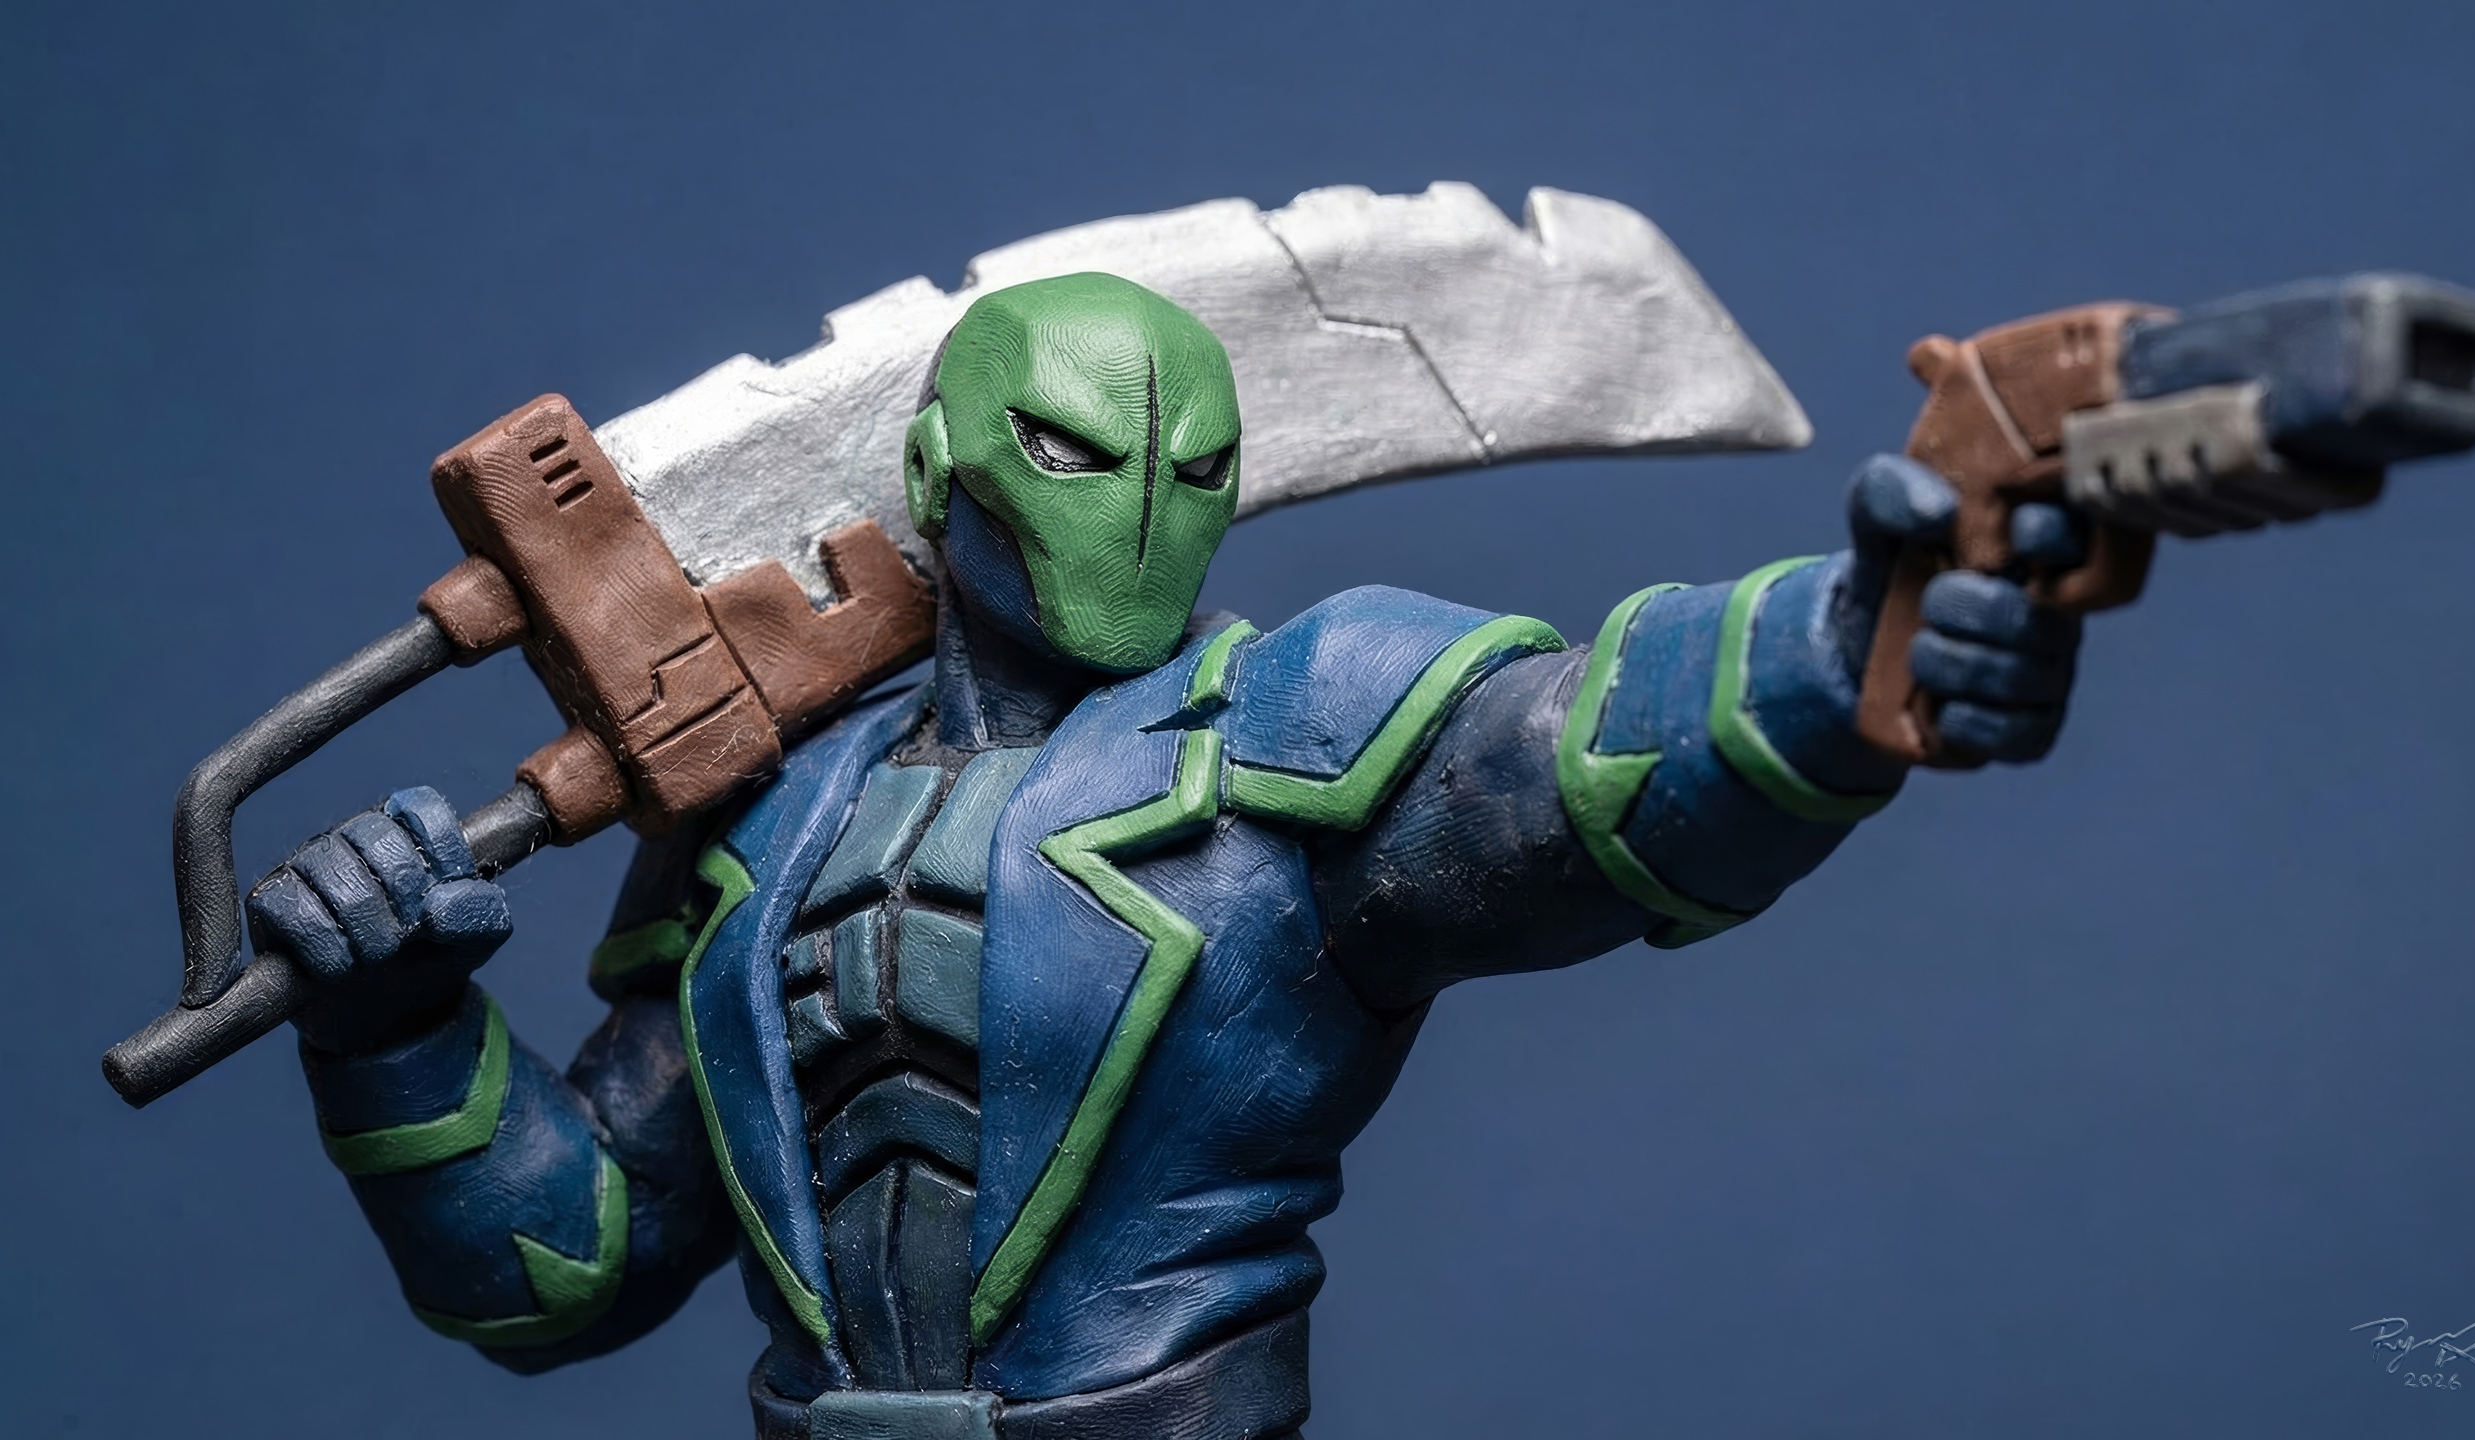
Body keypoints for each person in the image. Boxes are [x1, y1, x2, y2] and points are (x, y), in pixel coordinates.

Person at [249, 271, 2081, 1440]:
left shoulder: (1294, 725)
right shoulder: (767, 821)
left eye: (1192, 467)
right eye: (1067, 450)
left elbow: (1573, 756)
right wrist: (393, 1029)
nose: (1133, 512)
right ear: (938, 465)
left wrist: (1850, 652)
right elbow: (559, 1268)